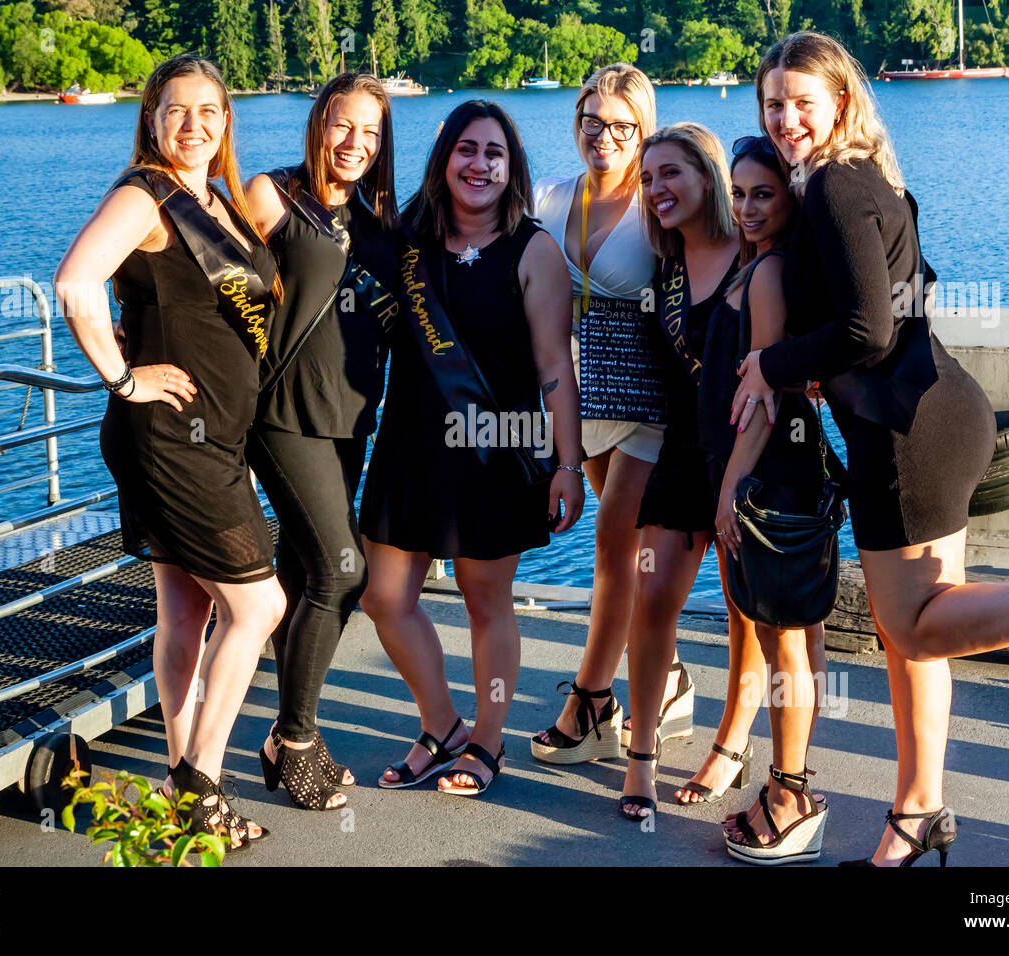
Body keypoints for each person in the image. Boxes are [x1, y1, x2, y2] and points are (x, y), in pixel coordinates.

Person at [733, 31, 1009, 866]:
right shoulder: (871, 178)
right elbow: (903, 300)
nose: (785, 120)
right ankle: (915, 816)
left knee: (916, 628)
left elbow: (866, 327)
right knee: (915, 630)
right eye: (773, 104)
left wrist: (772, 362)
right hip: (936, 409)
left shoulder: (833, 189)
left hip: (906, 433)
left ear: (840, 101)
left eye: (802, 102)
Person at [55, 54, 284, 850]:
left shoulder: (214, 198)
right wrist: (121, 376)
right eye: (176, 111)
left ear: (227, 123)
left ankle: (181, 786)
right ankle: (200, 788)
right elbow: (77, 282)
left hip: (213, 437)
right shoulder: (144, 193)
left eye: (210, 112)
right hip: (167, 440)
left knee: (186, 609)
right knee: (260, 605)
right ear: (151, 120)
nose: (194, 125)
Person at [359, 100, 584, 797]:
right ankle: (442, 726)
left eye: (494, 152)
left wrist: (569, 467)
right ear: (444, 158)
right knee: (384, 596)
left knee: (485, 598)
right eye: (466, 149)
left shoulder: (534, 249)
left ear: (511, 167)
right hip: (410, 443)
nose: (479, 164)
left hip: (497, 447)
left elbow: (555, 366)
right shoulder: (406, 241)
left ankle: (487, 743)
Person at [244, 73, 400, 812]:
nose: (355, 144)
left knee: (303, 571)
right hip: (280, 416)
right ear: (319, 122)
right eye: (344, 126)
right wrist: (133, 330)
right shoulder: (271, 196)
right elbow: (192, 270)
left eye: (370, 133)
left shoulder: (377, 218)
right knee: (343, 573)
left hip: (349, 422)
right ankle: (295, 739)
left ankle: (286, 731)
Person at [530, 63, 694, 768]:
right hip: (580, 390)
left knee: (612, 542)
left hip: (650, 390)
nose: (605, 136)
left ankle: (593, 702)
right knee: (620, 547)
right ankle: (675, 678)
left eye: (622, 126)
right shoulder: (548, 196)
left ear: (644, 130)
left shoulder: (658, 207)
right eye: (592, 122)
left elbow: (724, 255)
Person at [699, 133, 832, 863]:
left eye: (764, 194)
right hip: (759, 473)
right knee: (790, 637)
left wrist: (729, 492)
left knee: (784, 639)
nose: (748, 208)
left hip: (768, 477)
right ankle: (791, 780)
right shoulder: (752, 265)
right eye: (740, 193)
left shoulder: (773, 273)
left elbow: (766, 400)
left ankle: (790, 791)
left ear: (790, 200)